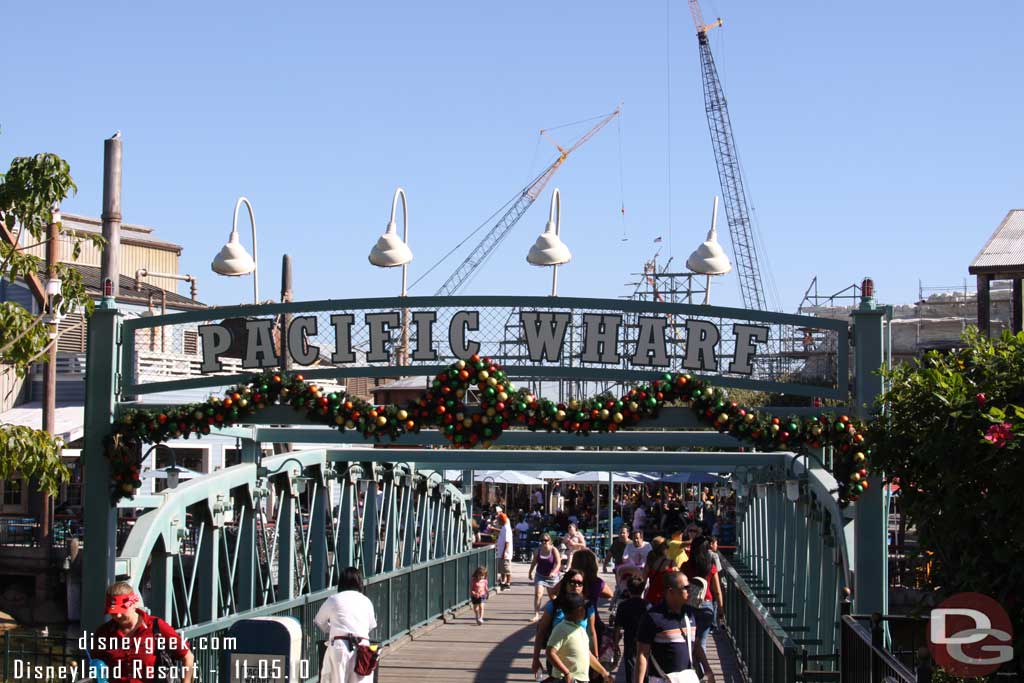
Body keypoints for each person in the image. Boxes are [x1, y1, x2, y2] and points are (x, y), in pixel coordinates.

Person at [91, 581, 194, 683]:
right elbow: (96, 664)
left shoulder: (156, 626)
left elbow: (187, 656)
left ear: (134, 604)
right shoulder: (103, 632)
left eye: (122, 611)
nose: (117, 616)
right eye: (113, 613)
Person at [635, 572, 716, 683]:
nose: (690, 591)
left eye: (690, 587)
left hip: (687, 678)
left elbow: (696, 645)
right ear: (671, 591)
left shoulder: (690, 614)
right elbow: (642, 654)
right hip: (661, 679)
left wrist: (708, 670)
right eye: (685, 588)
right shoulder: (653, 617)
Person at [532, 569, 599, 679]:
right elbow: (541, 632)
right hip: (556, 658)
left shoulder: (587, 607)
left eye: (579, 583)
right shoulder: (554, 605)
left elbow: (591, 633)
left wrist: (596, 657)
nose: (575, 585)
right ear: (565, 583)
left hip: (580, 659)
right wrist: (535, 658)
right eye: (572, 582)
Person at [315, 566, 378, 683]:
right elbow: (371, 625)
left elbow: (319, 620)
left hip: (340, 646)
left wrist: (331, 630)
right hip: (363, 648)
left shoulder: (334, 599)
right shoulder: (366, 601)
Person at [546, 593, 613, 683]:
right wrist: (567, 673)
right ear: (579, 610)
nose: (585, 611)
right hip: (566, 679)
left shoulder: (580, 629)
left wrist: (604, 673)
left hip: (581, 679)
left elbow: (587, 654)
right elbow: (550, 652)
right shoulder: (561, 629)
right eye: (584, 608)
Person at [680, 535, 724, 649]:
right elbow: (717, 591)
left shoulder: (685, 566)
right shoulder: (710, 567)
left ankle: (690, 663)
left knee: (689, 641)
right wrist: (720, 609)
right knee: (702, 641)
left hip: (689, 603)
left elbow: (680, 586)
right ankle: (701, 666)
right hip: (706, 604)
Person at [612, 576, 649, 683]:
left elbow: (617, 626)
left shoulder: (623, 606)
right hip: (645, 640)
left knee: (630, 665)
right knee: (645, 664)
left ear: (628, 589)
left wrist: (615, 644)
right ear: (643, 589)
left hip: (629, 639)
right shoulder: (647, 605)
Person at [529, 533, 562, 622]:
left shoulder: (554, 550)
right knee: (538, 594)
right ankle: (536, 614)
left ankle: (557, 613)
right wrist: (530, 572)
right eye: (542, 541)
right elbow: (534, 562)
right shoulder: (537, 551)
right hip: (540, 576)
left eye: (546, 540)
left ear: (550, 541)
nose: (544, 542)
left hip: (552, 577)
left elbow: (558, 563)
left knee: (553, 597)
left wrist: (554, 572)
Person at [642, 537, 676, 607]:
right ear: (664, 548)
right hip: (664, 600)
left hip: (650, 597)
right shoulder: (671, 563)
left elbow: (643, 581)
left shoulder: (650, 561)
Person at [489, 508, 514, 590]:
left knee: (507, 569)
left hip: (505, 553)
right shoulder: (504, 527)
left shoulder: (507, 528)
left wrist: (504, 552)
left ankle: (508, 583)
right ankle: (503, 582)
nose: (498, 521)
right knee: (502, 569)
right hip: (501, 551)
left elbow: (507, 541)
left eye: (499, 520)